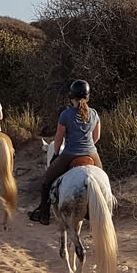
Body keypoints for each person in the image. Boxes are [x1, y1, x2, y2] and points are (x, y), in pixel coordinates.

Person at [28, 79, 101, 225]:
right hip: (92, 153)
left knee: (47, 180)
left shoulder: (66, 114)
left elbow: (59, 138)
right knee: (103, 180)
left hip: (70, 154)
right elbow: (96, 137)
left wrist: (55, 154)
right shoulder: (94, 113)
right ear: (88, 96)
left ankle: (43, 214)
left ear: (71, 96)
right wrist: (87, 146)